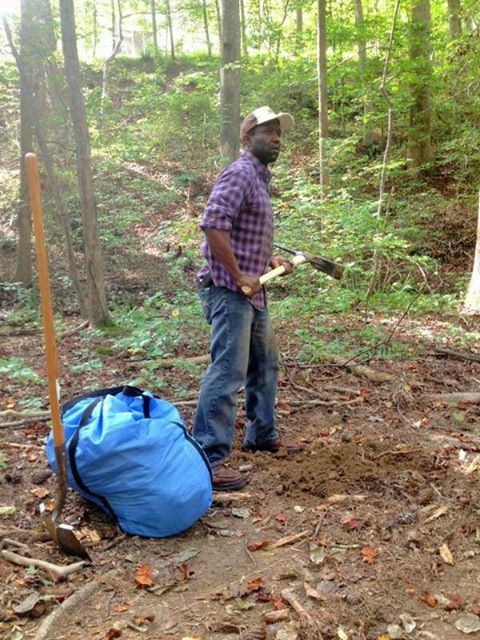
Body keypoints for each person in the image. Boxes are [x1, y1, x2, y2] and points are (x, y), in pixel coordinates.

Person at [193, 106, 301, 491]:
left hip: (253, 294)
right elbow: (213, 224)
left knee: (266, 366)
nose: (275, 138)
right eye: (267, 131)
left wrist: (266, 260)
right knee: (228, 371)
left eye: (279, 134)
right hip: (228, 290)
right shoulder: (240, 173)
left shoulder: (259, 179)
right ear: (247, 137)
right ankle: (207, 457)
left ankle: (261, 435)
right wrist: (240, 275)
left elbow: (241, 234)